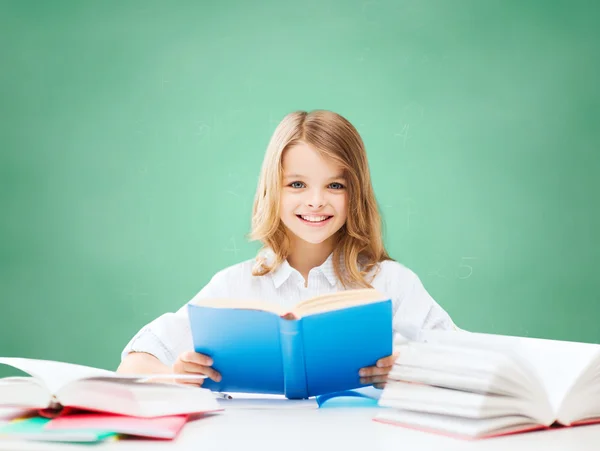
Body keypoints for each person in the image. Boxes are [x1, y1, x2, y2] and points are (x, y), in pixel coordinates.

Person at [117, 110, 457, 388]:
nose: (316, 201)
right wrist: (178, 377)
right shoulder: (233, 286)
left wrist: (413, 372)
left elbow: (469, 363)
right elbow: (133, 366)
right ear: (272, 190)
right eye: (297, 184)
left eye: (335, 185)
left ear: (356, 194)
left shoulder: (392, 284)